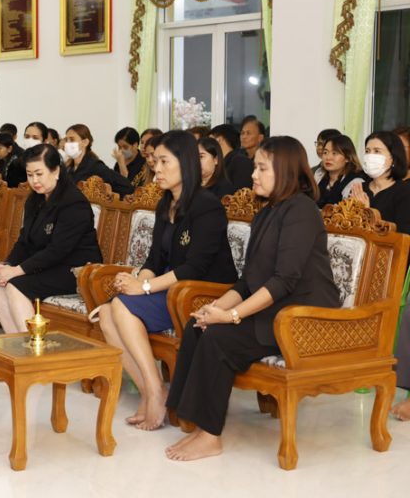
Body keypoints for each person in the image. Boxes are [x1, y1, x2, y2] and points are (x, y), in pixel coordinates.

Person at [164, 136, 340, 462]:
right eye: (255, 167)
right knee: (198, 325)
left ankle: (210, 435)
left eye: (261, 168)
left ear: (285, 171)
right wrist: (217, 307)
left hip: (304, 317)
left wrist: (231, 318)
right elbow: (248, 281)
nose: (253, 175)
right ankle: (191, 419)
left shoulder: (301, 210)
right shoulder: (267, 211)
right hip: (276, 308)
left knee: (219, 338)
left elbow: (284, 280)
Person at [98, 130, 237, 431]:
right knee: (108, 313)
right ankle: (153, 390)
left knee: (121, 308)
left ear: (184, 163)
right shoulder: (166, 204)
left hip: (203, 293)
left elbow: (194, 268)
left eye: (163, 162)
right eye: (154, 161)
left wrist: (144, 288)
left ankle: (156, 394)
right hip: (172, 289)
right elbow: (154, 261)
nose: (155, 169)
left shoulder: (207, 206)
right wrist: (136, 280)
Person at [0, 144, 103, 333]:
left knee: (16, 287)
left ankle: (33, 347)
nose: (34, 181)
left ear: (56, 171)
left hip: (76, 270)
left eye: (39, 174)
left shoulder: (73, 202)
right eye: (29, 174)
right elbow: (24, 240)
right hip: (49, 265)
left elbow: (58, 250)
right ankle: (17, 345)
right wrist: (9, 265)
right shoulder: (35, 199)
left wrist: (18, 271)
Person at [351, 131, 410, 234]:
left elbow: (403, 237)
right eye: (367, 151)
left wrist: (368, 213)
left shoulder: (405, 192)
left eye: (377, 151)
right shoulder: (360, 189)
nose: (370, 156)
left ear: (393, 158)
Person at [64, 123, 135, 196]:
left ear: (85, 142)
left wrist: (107, 192)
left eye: (72, 139)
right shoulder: (67, 167)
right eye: (66, 140)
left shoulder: (95, 166)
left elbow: (127, 186)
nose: (67, 143)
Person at [316, 134, 364, 207]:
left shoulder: (355, 183)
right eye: (325, 152)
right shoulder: (319, 175)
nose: (328, 157)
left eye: (334, 153)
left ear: (347, 158)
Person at [208, 124, 254, 190]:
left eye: (210, 141)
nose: (208, 146)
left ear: (219, 140)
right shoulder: (221, 163)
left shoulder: (241, 162)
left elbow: (241, 194)